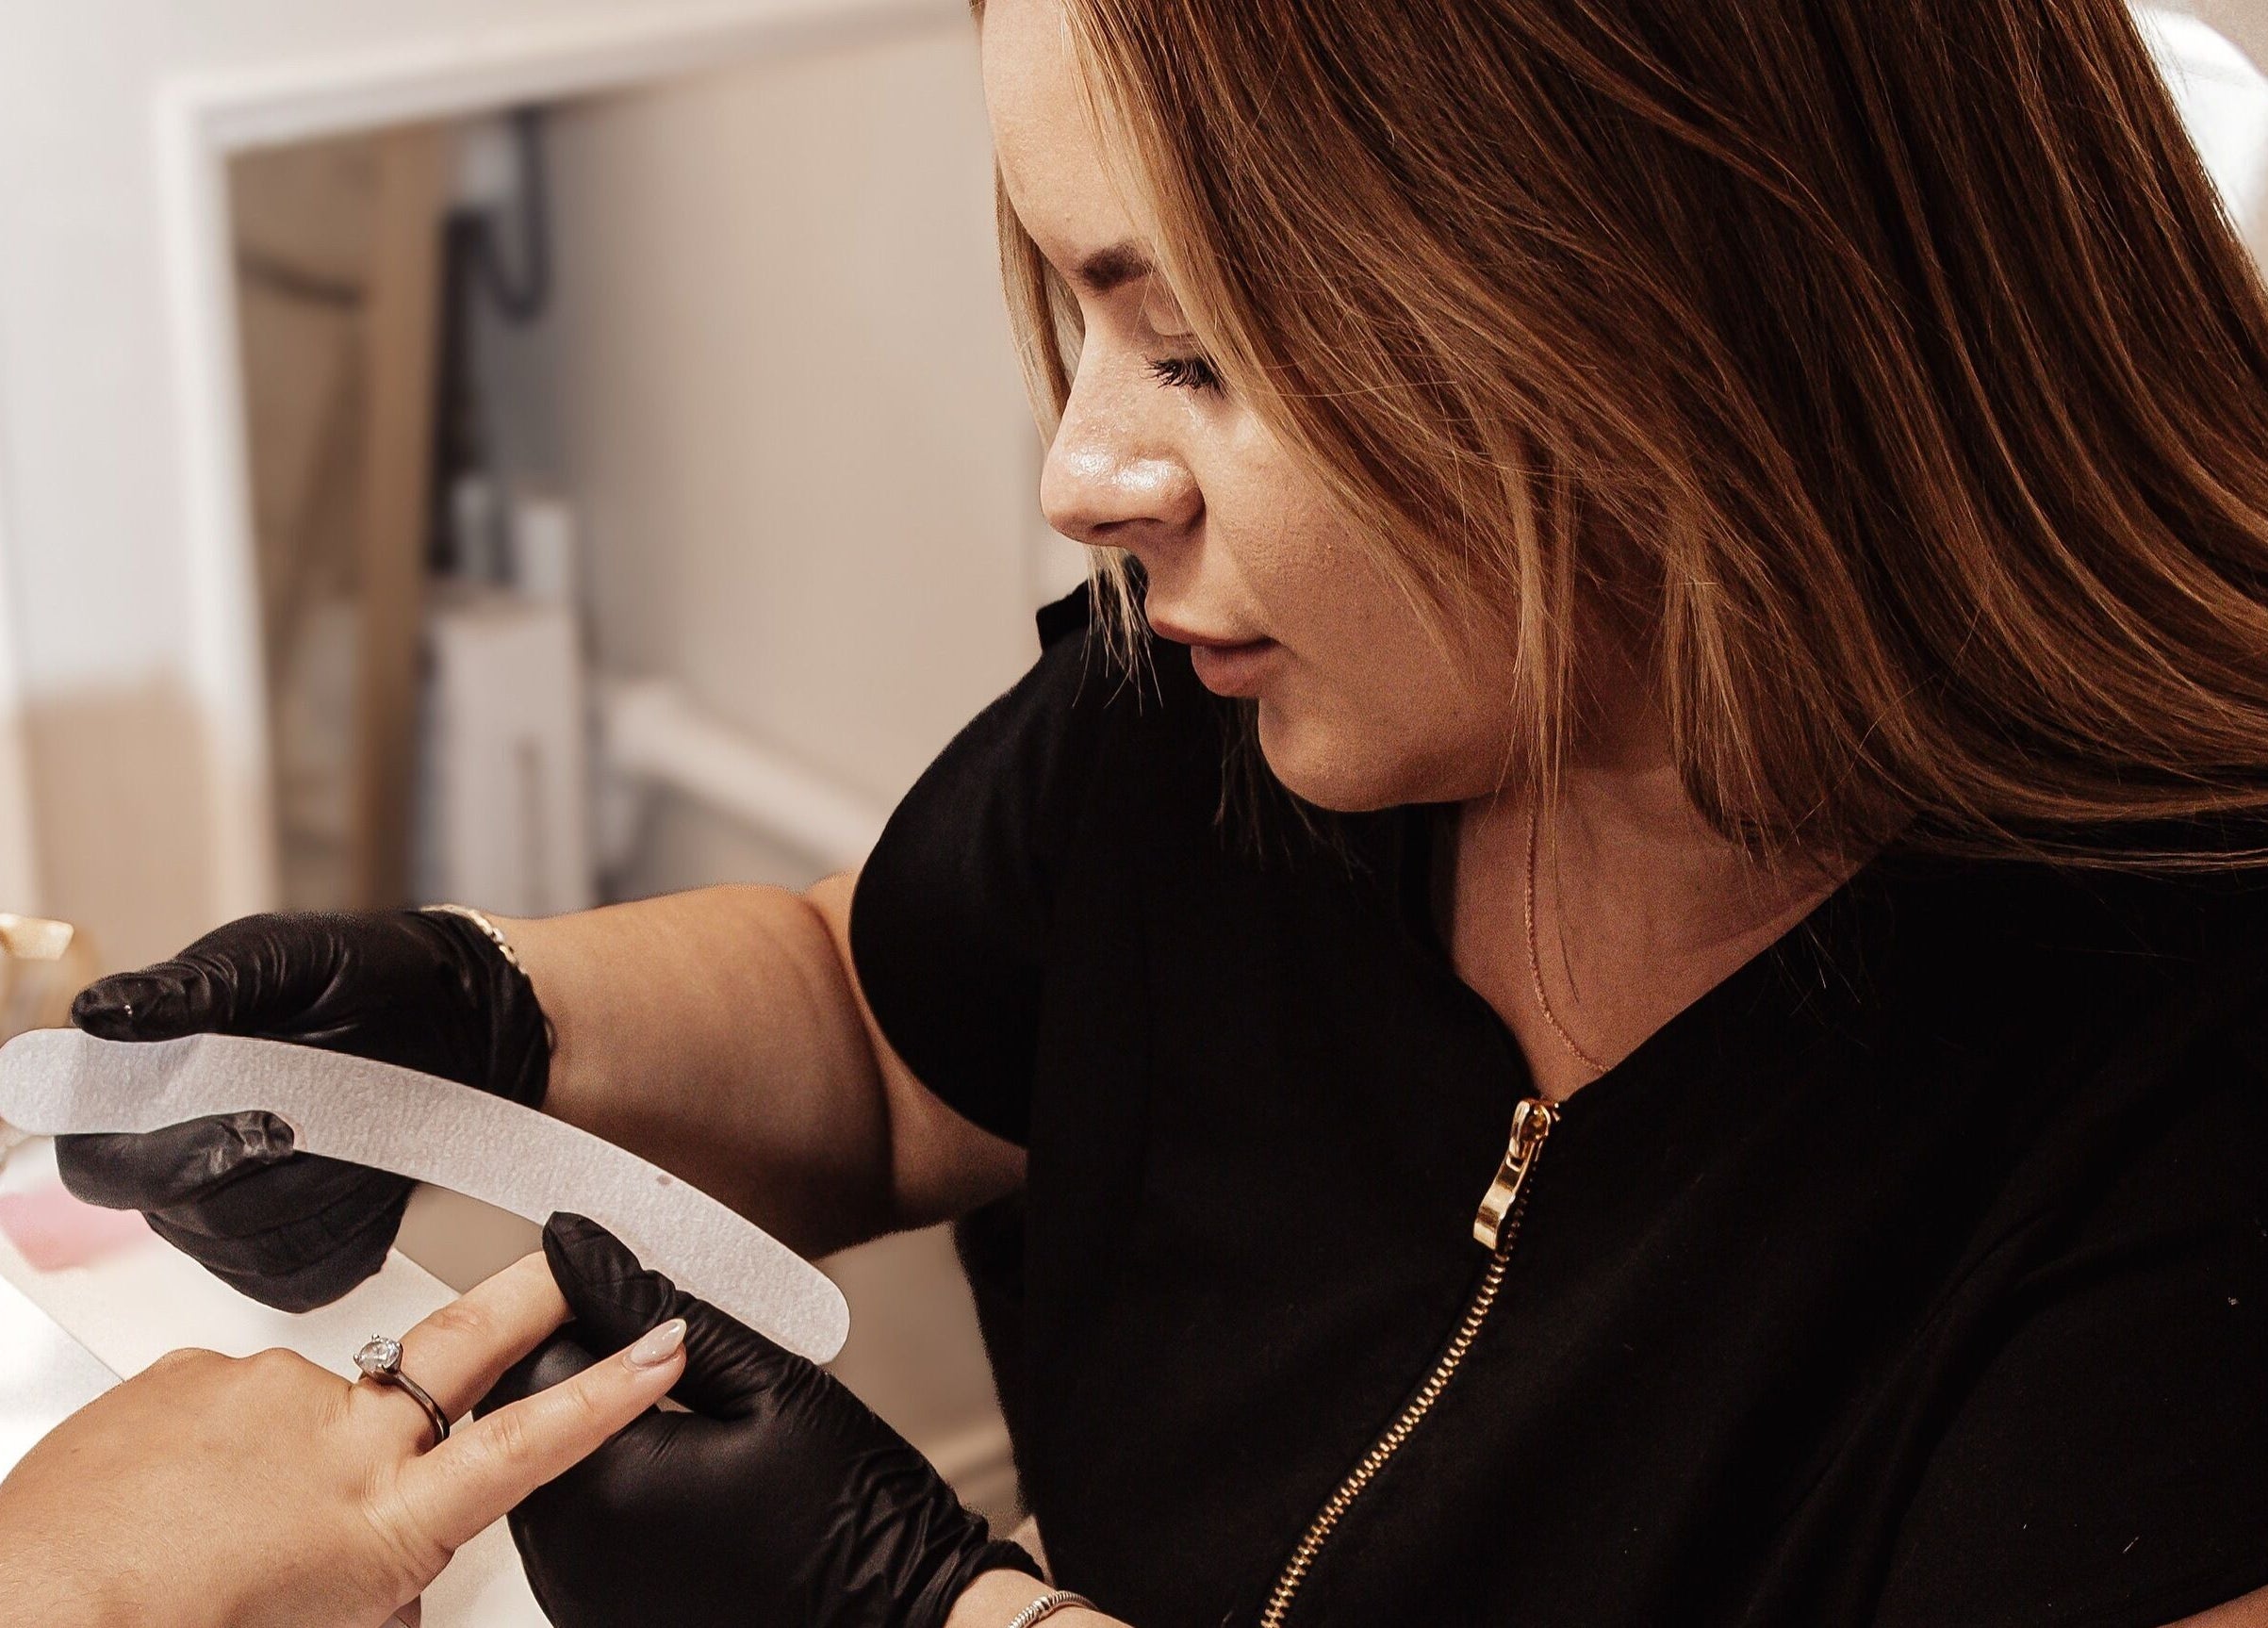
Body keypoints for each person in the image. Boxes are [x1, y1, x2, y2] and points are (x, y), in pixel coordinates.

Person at [9, 0, 2268, 1622]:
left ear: (1665, 315)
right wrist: (483, 1029)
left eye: (1195, 349)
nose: (1082, 477)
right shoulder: (1228, 717)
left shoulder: (2180, 1110)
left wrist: (934, 1625)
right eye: (1078, 320)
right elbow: (886, 1029)